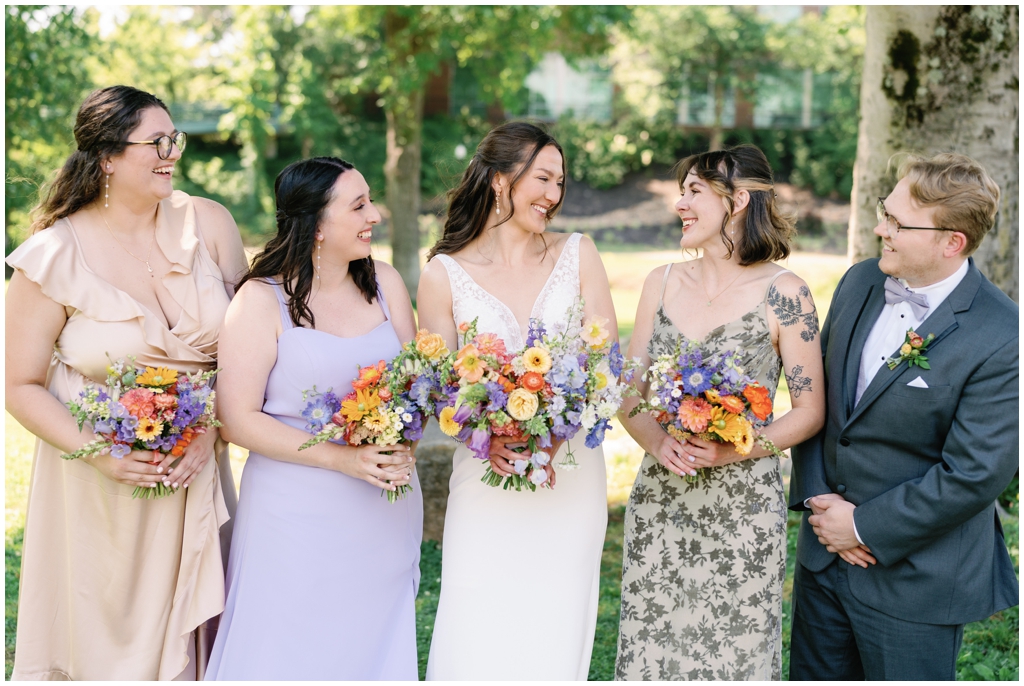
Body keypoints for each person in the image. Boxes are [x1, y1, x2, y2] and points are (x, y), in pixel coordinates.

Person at [5, 85, 247, 680]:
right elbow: (18, 384)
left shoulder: (208, 223)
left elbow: (255, 348)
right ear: (108, 156)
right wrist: (104, 454)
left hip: (197, 474)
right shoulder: (51, 257)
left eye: (175, 139)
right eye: (156, 142)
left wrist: (211, 428)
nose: (172, 153)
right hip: (99, 490)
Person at [788, 152, 1019, 680]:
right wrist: (825, 513)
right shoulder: (860, 281)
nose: (879, 228)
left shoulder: (1004, 336)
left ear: (951, 242)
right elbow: (819, 401)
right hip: (822, 557)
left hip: (916, 578)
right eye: (883, 212)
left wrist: (863, 527)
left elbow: (976, 474)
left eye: (896, 222)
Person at [204, 157, 422, 680]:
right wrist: (343, 459)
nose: (375, 214)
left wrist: (404, 438)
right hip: (294, 517)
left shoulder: (386, 283)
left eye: (370, 200)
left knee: (372, 644)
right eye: (359, 205)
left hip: (385, 509)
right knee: (290, 649)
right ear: (316, 224)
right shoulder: (260, 301)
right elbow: (236, 418)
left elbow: (419, 387)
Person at [614, 145, 826, 680]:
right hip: (663, 497)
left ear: (738, 201)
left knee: (734, 655)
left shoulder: (787, 294)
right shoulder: (659, 282)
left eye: (693, 191)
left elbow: (809, 411)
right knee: (653, 647)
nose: (678, 204)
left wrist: (738, 447)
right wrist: (657, 442)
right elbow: (629, 391)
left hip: (743, 510)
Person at [417, 122, 617, 680]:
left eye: (561, 182)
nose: (554, 195)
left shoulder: (580, 254)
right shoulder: (444, 275)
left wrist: (554, 433)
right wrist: (487, 437)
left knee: (555, 627)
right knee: (476, 624)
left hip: (570, 474)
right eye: (544, 178)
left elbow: (605, 365)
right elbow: (440, 394)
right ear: (502, 180)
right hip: (486, 482)